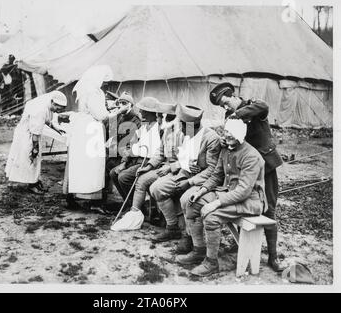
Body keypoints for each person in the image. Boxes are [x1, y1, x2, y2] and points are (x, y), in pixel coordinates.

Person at [209, 82, 284, 272]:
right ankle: (246, 244)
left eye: (226, 102)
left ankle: (273, 256)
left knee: (269, 209)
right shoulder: (229, 116)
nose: (225, 108)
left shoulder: (253, 106)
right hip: (245, 168)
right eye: (222, 106)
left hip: (265, 166)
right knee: (243, 202)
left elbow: (264, 107)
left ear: (234, 96)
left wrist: (237, 114)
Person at [178, 119, 266, 277]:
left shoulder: (251, 156)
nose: (229, 135)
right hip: (227, 193)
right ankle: (198, 250)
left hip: (249, 201)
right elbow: (217, 175)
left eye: (234, 133)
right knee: (192, 204)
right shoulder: (226, 149)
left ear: (242, 134)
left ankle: (211, 262)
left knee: (211, 217)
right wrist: (201, 191)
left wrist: (215, 203)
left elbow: (243, 191)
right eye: (227, 131)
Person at [149, 104, 221, 243]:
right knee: (157, 188)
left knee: (188, 199)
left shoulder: (211, 138)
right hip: (184, 173)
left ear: (192, 125)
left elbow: (212, 170)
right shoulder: (185, 134)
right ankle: (172, 228)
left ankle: (189, 236)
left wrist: (190, 182)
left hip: (201, 180)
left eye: (182, 126)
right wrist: (183, 165)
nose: (180, 129)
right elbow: (179, 157)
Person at [63, 65, 127, 209]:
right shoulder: (94, 92)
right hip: (90, 130)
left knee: (79, 162)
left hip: (82, 127)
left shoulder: (85, 89)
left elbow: (92, 109)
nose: (105, 84)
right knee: (93, 164)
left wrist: (109, 108)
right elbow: (101, 116)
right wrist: (118, 111)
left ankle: (74, 195)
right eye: (105, 81)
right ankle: (93, 200)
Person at [5, 91, 67, 194]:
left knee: (35, 159)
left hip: (32, 132)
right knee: (30, 158)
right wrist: (35, 148)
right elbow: (35, 132)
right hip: (27, 134)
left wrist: (57, 129)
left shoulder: (47, 103)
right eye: (57, 109)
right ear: (53, 103)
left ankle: (34, 181)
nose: (57, 112)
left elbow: (46, 120)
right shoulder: (40, 109)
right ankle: (31, 184)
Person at [109, 96, 162, 207]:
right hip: (135, 160)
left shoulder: (158, 128)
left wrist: (149, 164)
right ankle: (129, 204)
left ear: (149, 112)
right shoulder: (143, 127)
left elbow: (161, 153)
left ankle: (137, 207)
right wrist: (124, 162)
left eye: (143, 110)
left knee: (124, 177)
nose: (140, 112)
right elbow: (132, 145)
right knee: (114, 173)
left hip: (149, 162)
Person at [104, 91, 141, 196]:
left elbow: (134, 143)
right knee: (104, 160)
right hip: (117, 152)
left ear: (130, 105)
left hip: (129, 155)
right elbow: (111, 132)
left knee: (115, 171)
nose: (121, 105)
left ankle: (128, 199)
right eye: (119, 103)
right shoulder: (119, 116)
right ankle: (105, 195)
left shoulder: (136, 119)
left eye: (124, 103)